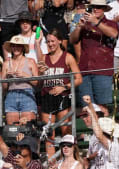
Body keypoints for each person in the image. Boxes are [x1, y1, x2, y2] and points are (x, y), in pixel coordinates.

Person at [37, 28, 82, 158]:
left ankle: (68, 160)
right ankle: (51, 163)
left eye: (52, 41)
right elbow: (39, 81)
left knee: (66, 133)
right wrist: (40, 73)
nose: (50, 44)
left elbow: (79, 79)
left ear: (60, 41)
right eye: (48, 42)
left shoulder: (68, 57)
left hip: (63, 98)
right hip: (47, 97)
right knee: (48, 134)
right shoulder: (44, 58)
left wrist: (64, 86)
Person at [70, 0, 118, 106]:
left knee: (103, 107)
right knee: (87, 109)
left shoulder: (111, 23)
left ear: (104, 9)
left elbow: (114, 34)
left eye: (99, 7)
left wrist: (96, 22)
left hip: (102, 71)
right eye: (93, 7)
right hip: (85, 71)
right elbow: (72, 40)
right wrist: (79, 27)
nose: (95, 9)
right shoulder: (84, 24)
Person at [1, 35, 39, 125]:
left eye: (18, 45)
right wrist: (7, 77)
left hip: (27, 94)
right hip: (11, 95)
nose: (15, 48)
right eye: (13, 46)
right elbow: (4, 88)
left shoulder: (31, 61)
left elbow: (36, 82)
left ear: (22, 47)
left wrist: (25, 76)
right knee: (13, 130)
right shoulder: (6, 63)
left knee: (28, 129)